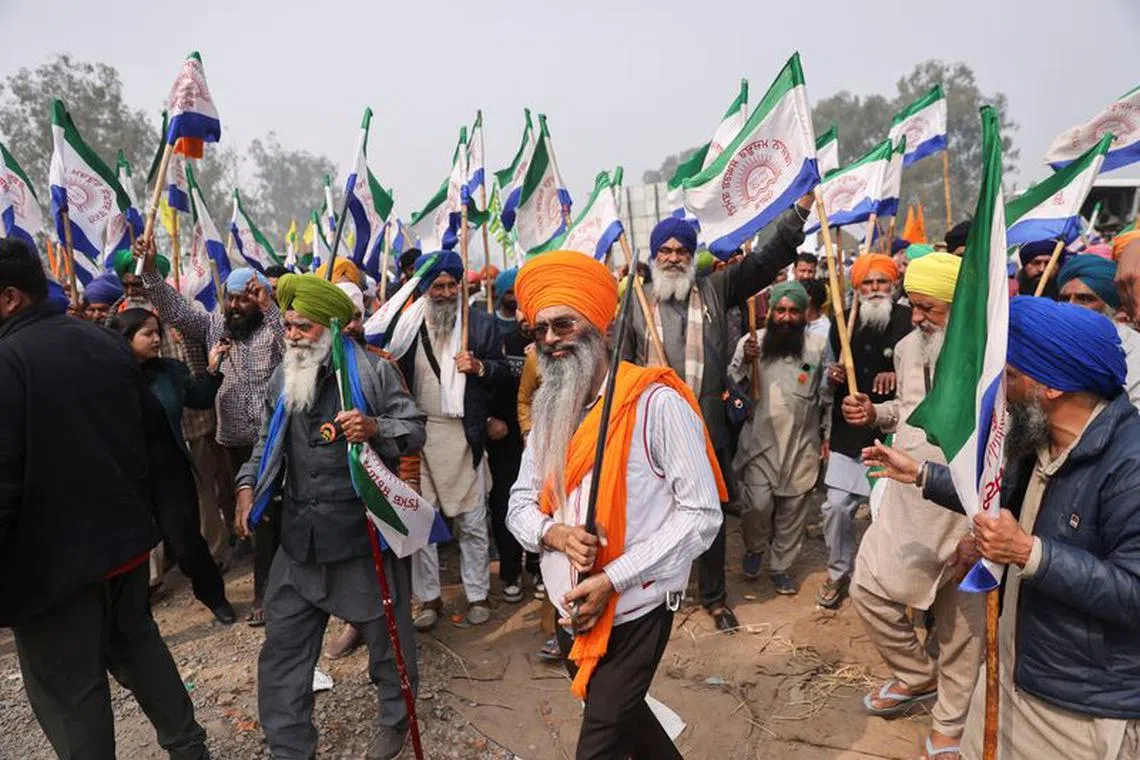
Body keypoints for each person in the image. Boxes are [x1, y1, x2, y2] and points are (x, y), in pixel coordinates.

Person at [865, 296, 1140, 760]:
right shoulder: (1039, 438)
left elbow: (1133, 592)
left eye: (1009, 376)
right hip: (1013, 671)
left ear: (1051, 386)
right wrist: (919, 474)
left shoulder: (1129, 466)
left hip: (1079, 710)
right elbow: (995, 495)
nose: (1000, 390)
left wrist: (1029, 553)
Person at [508, 251, 725, 760]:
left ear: (600, 325)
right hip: (570, 610)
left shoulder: (655, 403)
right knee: (634, 729)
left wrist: (612, 578)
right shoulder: (548, 411)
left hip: (636, 607)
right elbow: (519, 503)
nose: (551, 340)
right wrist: (554, 534)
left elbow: (701, 515)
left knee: (600, 743)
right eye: (540, 331)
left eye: (564, 324)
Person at [0, 238, 210, 759]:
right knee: (136, 643)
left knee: (71, 691)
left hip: (52, 568)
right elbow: (153, 441)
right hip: (126, 545)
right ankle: (190, 749)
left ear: (9, 298)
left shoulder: (6, 361)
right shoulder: (103, 343)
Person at [234, 274, 427, 760]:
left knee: (390, 646)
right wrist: (244, 486)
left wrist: (375, 426)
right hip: (299, 541)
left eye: (304, 328)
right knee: (282, 654)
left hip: (361, 539)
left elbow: (414, 429)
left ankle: (395, 721)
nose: (293, 336)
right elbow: (264, 441)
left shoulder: (372, 372)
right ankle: (290, 744)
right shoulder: (284, 375)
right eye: (289, 327)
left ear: (334, 327)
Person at [624, 197, 812, 631]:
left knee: (704, 513)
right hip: (648, 427)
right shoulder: (635, 301)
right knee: (653, 515)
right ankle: (657, 593)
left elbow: (765, 264)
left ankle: (713, 597)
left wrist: (797, 214)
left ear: (693, 256)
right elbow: (623, 366)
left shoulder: (715, 289)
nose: (673, 258)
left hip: (703, 424)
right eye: (665, 251)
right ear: (654, 257)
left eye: (681, 251)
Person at [840, 253, 981, 760]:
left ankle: (949, 723)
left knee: (961, 624)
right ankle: (917, 675)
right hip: (906, 493)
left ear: (957, 308)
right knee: (868, 587)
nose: (917, 317)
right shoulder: (906, 347)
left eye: (930, 309)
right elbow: (908, 407)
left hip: (965, 504)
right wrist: (876, 412)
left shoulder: (989, 358)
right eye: (913, 306)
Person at [137, 237, 286, 625]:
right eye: (231, 298)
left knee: (278, 514)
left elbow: (296, 351)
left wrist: (271, 309)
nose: (235, 305)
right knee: (254, 517)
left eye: (245, 298)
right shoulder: (215, 324)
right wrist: (151, 271)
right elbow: (174, 310)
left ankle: (277, 589)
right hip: (235, 442)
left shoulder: (274, 325)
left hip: (275, 439)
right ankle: (266, 588)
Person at [383, 251, 507, 629]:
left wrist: (481, 367)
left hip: (465, 436)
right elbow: (388, 369)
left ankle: (477, 594)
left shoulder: (480, 324)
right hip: (421, 438)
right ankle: (430, 598)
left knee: (472, 521)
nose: (446, 292)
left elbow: (507, 373)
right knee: (425, 523)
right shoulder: (405, 328)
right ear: (424, 288)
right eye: (438, 285)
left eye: (453, 284)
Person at [109, 307, 237, 625]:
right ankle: (135, 618)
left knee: (187, 543)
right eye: (147, 334)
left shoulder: (170, 371)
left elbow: (200, 398)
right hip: (125, 476)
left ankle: (214, 597)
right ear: (126, 339)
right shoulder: (106, 378)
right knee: (133, 551)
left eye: (158, 332)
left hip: (169, 470)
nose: (157, 339)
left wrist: (212, 368)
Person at [817, 253, 912, 609]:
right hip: (847, 431)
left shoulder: (908, 320)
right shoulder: (839, 323)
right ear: (856, 288)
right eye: (867, 283)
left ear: (893, 284)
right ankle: (838, 570)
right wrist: (833, 375)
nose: (874, 289)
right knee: (837, 507)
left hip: (890, 435)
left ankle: (884, 580)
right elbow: (825, 384)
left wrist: (898, 375)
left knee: (886, 511)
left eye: (881, 282)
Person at [728, 281, 830, 594]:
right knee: (756, 505)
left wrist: (827, 434)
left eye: (793, 311)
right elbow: (731, 380)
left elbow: (827, 396)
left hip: (802, 444)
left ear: (804, 314)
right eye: (781, 311)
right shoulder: (752, 342)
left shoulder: (818, 344)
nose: (786, 317)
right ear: (771, 312)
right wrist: (745, 359)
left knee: (793, 510)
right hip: (760, 444)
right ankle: (755, 548)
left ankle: (781, 566)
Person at [487, 267, 542, 602]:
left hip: (537, 433)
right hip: (502, 435)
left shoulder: (539, 332)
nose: (517, 301)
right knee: (506, 503)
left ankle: (537, 568)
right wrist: (490, 420)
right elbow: (482, 383)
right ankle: (510, 572)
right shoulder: (488, 330)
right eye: (512, 293)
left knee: (539, 501)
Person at [1057, 253, 1140, 408]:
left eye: (1084, 299)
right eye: (1064, 298)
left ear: (1109, 306)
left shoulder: (1134, 351)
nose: (1070, 306)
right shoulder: (1053, 344)